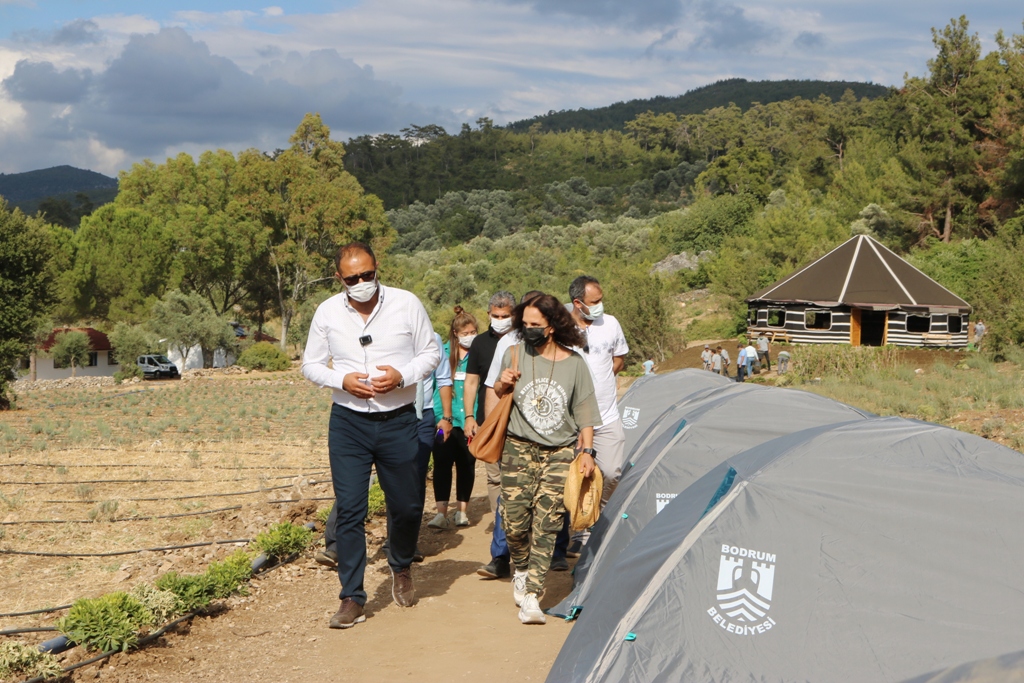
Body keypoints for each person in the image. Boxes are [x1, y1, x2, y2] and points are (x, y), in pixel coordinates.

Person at [302, 242, 440, 630]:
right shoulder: (327, 312)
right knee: (350, 509)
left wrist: (402, 375)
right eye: (352, 278)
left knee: (408, 505)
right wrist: (340, 379)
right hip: (348, 423)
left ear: (377, 269)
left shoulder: (406, 304)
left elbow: (431, 353)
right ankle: (351, 596)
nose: (362, 283)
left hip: (398, 420)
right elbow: (310, 365)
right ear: (339, 278)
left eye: (367, 274)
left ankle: (400, 566)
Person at [492, 294, 600, 624]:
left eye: (535, 325)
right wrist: (502, 382)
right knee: (514, 522)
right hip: (517, 448)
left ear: (552, 327)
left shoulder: (575, 363)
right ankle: (521, 567)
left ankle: (532, 596)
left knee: (548, 521)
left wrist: (588, 453)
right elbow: (498, 391)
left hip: (560, 452)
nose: (528, 330)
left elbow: (584, 411)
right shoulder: (514, 353)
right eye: (524, 325)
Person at [476, 290, 543, 579]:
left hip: (548, 434)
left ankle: (545, 558)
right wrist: (494, 430)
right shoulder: (509, 342)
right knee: (509, 494)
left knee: (545, 496)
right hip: (514, 431)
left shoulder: (561, 344)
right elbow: (492, 387)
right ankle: (501, 557)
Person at [564, 275, 628, 557]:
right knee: (580, 476)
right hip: (574, 419)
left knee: (612, 471)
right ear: (578, 303)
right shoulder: (562, 328)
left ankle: (597, 518)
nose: (600, 306)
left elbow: (619, 358)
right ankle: (579, 532)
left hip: (607, 414)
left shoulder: (611, 323)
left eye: (601, 300)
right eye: (595, 302)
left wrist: (602, 382)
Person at [428, 307, 478, 529]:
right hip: (443, 420)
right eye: (466, 332)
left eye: (474, 331)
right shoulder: (443, 354)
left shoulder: (479, 355)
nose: (470, 336)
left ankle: (462, 511)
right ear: (456, 333)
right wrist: (440, 417)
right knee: (441, 462)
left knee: (467, 464)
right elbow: (436, 386)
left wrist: (474, 417)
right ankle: (441, 513)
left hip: (469, 421)